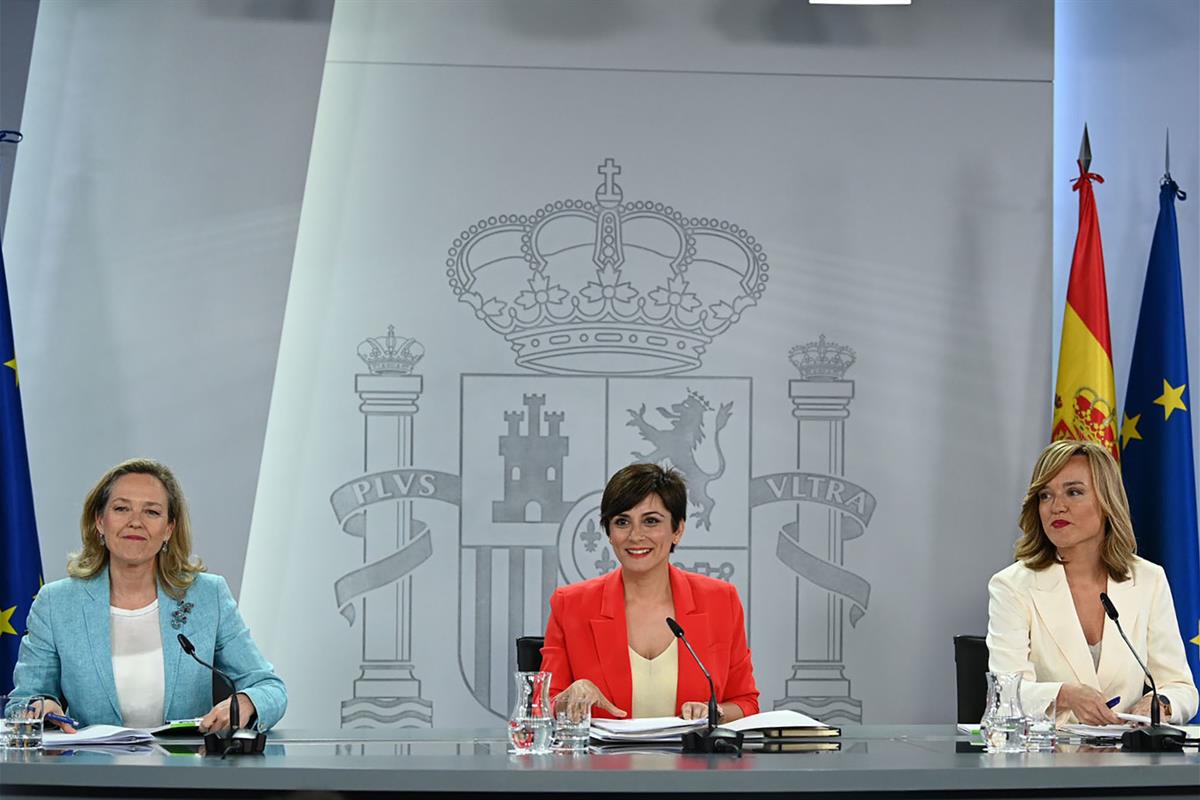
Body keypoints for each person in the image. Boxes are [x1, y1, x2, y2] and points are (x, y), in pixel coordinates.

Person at [6, 458, 286, 733]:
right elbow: (23, 700)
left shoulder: (207, 595)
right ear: (100, 521)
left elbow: (270, 688)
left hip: (187, 772)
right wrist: (41, 706)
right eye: (121, 509)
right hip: (92, 771)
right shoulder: (56, 603)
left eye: (151, 512)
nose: (135, 522)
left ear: (169, 529)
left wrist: (246, 702)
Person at [987, 440, 1197, 725]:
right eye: (1045, 496)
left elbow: (1181, 688)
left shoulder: (1148, 580)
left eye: (1073, 492)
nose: (1057, 507)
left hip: (1125, 761)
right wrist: (1066, 696)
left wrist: (1159, 703)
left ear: (1107, 501)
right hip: (1045, 761)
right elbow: (1005, 695)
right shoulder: (1012, 586)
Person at [541, 463, 758, 722]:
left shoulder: (720, 601)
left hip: (695, 761)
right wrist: (568, 699)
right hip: (602, 762)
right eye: (622, 522)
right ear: (609, 533)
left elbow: (746, 702)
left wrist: (715, 712)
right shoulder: (571, 604)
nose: (635, 535)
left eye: (651, 521)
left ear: (677, 530)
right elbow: (544, 705)